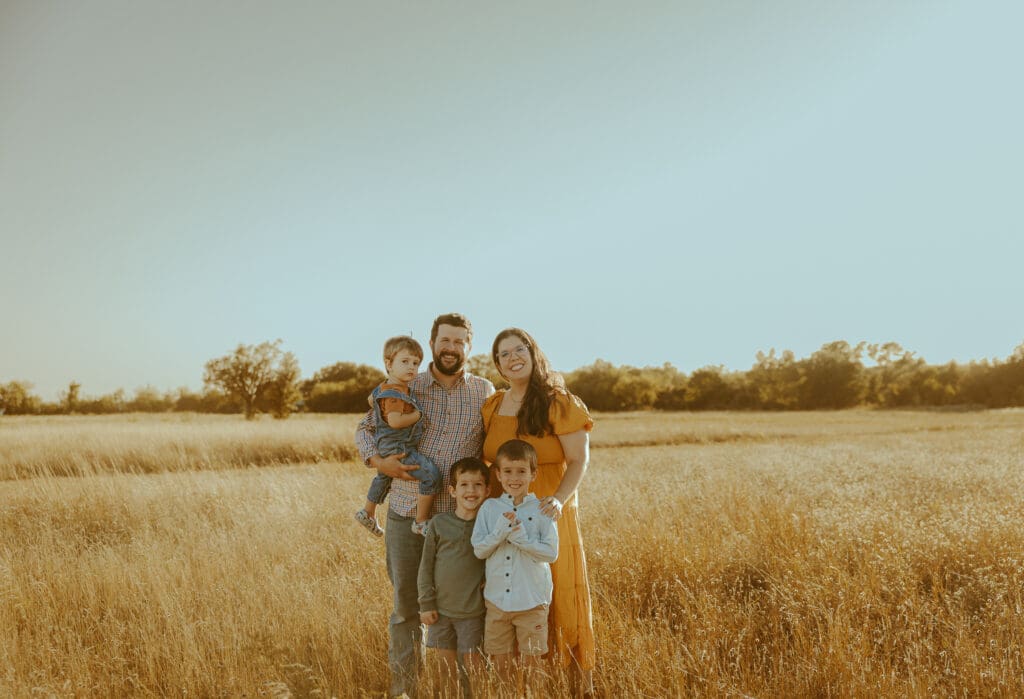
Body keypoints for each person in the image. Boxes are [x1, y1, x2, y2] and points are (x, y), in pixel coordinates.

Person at [356, 313, 494, 699]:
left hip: (457, 521)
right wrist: (377, 462)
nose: (451, 348)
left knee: (463, 609)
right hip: (404, 511)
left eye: (459, 341)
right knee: (406, 607)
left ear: (469, 346)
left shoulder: (484, 391)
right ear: (433, 343)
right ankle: (407, 690)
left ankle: (461, 691)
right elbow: (365, 428)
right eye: (444, 340)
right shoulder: (406, 383)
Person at [480, 327, 596, 696]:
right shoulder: (494, 405)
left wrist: (560, 500)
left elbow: (579, 459)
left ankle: (578, 681)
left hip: (548, 508)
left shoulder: (558, 402)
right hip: (506, 512)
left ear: (533, 353)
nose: (513, 358)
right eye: (504, 354)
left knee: (559, 592)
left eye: (520, 350)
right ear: (497, 364)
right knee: (512, 587)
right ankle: (525, 683)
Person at [472, 439, 558, 691]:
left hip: (532, 601)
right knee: (501, 664)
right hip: (497, 602)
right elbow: (479, 550)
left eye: (521, 471)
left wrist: (521, 538)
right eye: (507, 471)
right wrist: (500, 532)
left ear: (533, 473)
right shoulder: (489, 508)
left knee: (533, 664)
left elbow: (551, 553)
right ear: (497, 474)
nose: (514, 478)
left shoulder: (543, 508)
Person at [417, 457, 490, 698]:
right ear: (452, 490)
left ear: (488, 490)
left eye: (478, 485)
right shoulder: (440, 523)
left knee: (475, 669)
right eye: (464, 485)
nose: (471, 491)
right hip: (440, 613)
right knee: (445, 670)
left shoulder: (487, 527)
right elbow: (426, 567)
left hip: (473, 614)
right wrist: (426, 604)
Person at [354, 336, 441, 537]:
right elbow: (394, 421)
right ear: (388, 363)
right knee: (431, 475)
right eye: (405, 361)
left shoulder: (385, 388)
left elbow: (370, 399)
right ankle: (420, 521)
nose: (411, 367)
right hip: (399, 448)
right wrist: (415, 415)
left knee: (383, 478)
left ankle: (368, 511)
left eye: (415, 363)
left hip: (386, 446)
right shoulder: (394, 393)